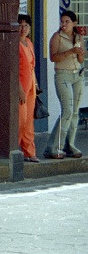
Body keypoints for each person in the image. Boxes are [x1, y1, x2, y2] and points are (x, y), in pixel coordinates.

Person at [43, 10, 85, 159]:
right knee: (67, 110)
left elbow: (80, 60)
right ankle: (54, 147)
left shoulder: (78, 37)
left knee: (74, 112)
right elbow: (54, 57)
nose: (64, 24)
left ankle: (69, 145)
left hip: (77, 75)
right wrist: (70, 51)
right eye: (62, 21)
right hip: (63, 75)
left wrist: (80, 53)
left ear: (74, 23)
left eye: (67, 22)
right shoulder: (57, 37)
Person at [17, 14, 39, 162]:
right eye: (20, 25)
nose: (23, 28)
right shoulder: (14, 44)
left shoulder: (29, 43)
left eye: (26, 25)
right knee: (20, 120)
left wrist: (36, 85)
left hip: (31, 86)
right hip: (21, 87)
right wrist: (19, 90)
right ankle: (13, 149)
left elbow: (31, 67)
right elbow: (13, 69)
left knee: (29, 121)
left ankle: (29, 152)